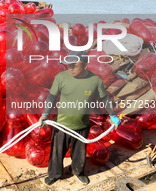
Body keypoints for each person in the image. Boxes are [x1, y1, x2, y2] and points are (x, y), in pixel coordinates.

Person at [38, 50, 121, 186]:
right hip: (62, 124)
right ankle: (54, 174)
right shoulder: (61, 77)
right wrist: (45, 114)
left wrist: (112, 115)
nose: (70, 68)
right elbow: (52, 97)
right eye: (69, 65)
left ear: (85, 65)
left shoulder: (95, 80)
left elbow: (104, 98)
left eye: (74, 65)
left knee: (79, 153)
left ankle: (78, 171)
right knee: (57, 153)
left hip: (82, 124)